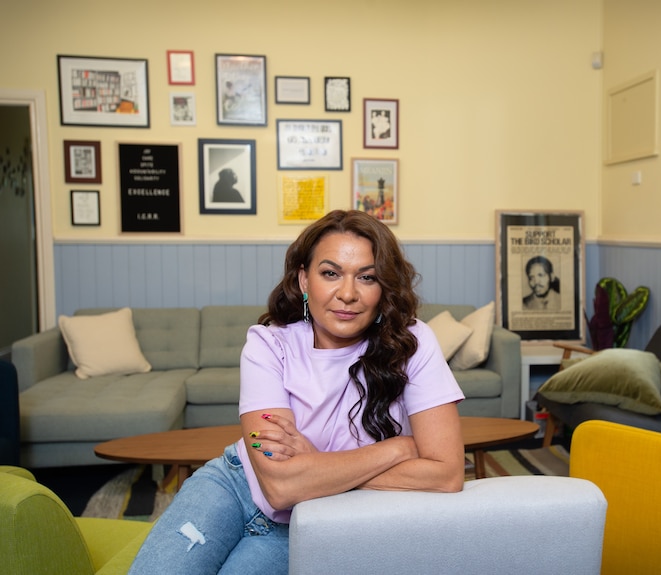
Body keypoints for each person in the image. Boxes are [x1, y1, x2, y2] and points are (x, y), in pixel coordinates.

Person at [129, 210, 465, 574]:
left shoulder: (413, 343)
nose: (348, 293)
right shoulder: (268, 344)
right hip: (234, 485)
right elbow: (280, 486)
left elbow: (446, 474)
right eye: (330, 273)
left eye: (367, 277)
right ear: (305, 280)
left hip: (320, 520)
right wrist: (399, 448)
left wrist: (314, 466)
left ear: (384, 287)